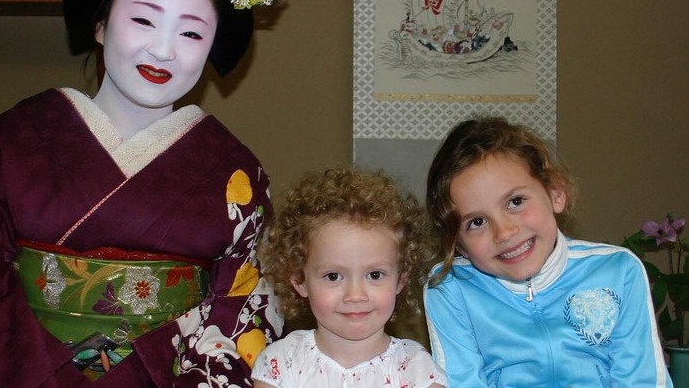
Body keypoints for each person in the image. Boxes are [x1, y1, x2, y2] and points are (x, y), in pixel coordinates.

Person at [0, 0, 285, 386]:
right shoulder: (15, 142)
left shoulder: (235, 173)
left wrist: (119, 374)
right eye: (144, 21)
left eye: (190, 32)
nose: (163, 50)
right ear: (101, 24)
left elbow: (244, 309)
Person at [423, 116, 672, 387]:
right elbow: (464, 381)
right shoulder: (449, 287)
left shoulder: (619, 270)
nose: (504, 232)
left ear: (555, 193)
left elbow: (641, 380)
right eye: (477, 222)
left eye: (515, 201)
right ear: (458, 244)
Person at [252, 168, 447, 388]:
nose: (355, 295)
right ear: (299, 280)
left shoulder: (417, 370)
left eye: (375, 274)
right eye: (333, 276)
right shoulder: (280, 365)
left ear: (401, 280)